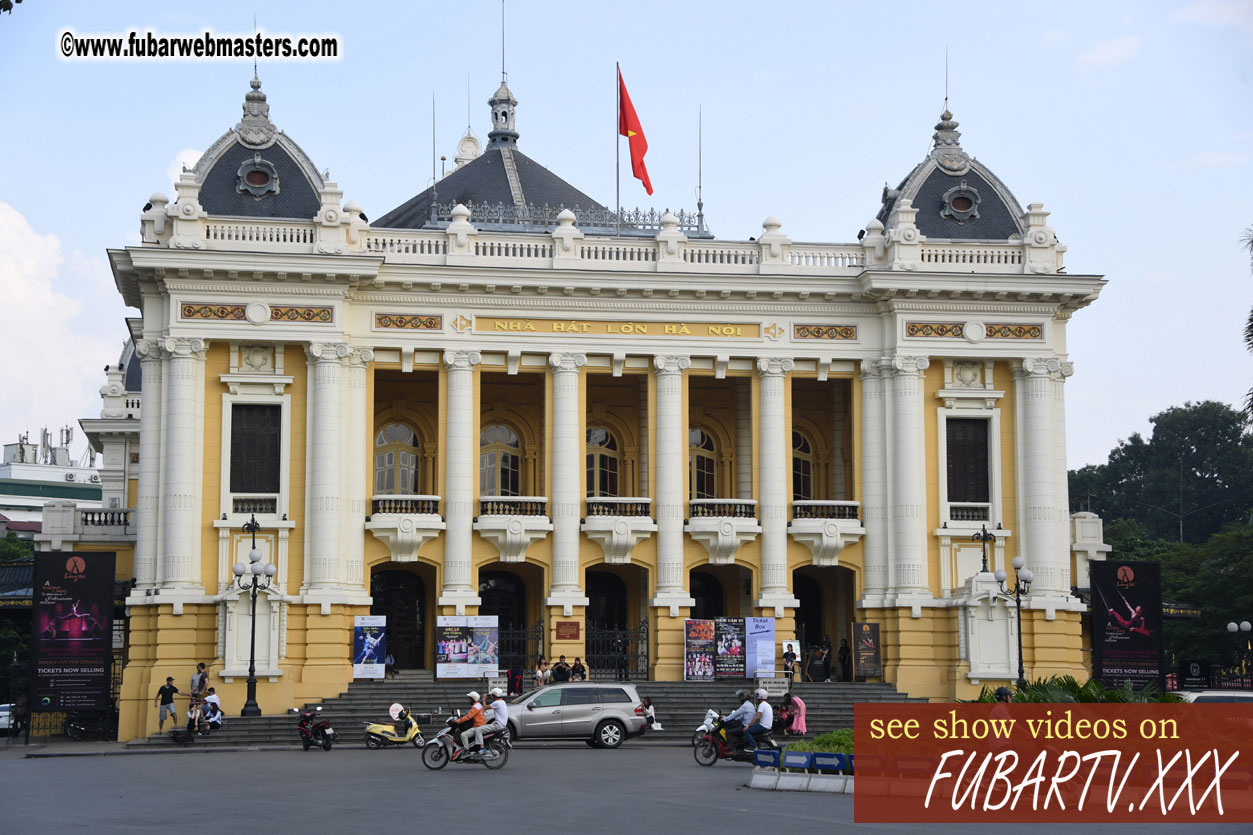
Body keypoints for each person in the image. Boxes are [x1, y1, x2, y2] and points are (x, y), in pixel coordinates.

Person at [473, 687, 509, 755]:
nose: (491, 697)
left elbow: (485, 707)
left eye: (492, 695)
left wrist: (484, 699)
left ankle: (482, 748)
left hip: (498, 725)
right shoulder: (502, 702)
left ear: (494, 696)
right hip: (501, 725)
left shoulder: (497, 703)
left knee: (478, 730)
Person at [456, 691, 486, 757]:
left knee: (463, 735)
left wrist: (458, 721)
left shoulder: (475, 707)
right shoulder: (479, 705)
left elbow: (468, 717)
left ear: (473, 699)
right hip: (481, 725)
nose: (468, 700)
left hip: (477, 726)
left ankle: (467, 750)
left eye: (469, 698)